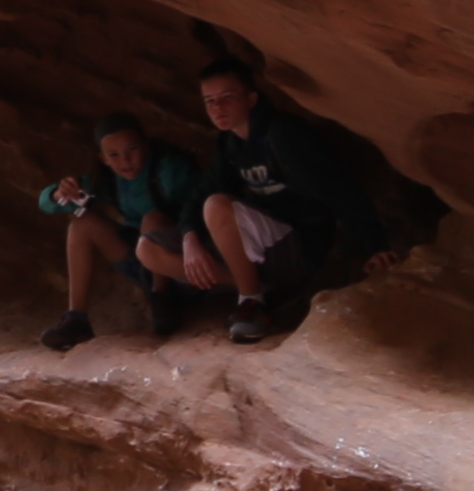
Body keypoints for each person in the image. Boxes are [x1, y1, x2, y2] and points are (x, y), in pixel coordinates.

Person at [190, 66, 371, 344]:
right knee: (151, 250)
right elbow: (200, 193)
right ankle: (262, 288)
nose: (218, 107)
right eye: (210, 101)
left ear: (251, 99)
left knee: (216, 207)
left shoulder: (282, 134)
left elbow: (339, 187)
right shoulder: (230, 144)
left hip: (299, 245)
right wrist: (189, 238)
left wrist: (375, 245)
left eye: (227, 97)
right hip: (266, 247)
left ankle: (251, 302)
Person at [35, 113, 216, 351]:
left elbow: (198, 207)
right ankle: (76, 318)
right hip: (142, 261)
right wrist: (59, 194)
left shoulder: (170, 170)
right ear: (103, 159)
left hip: (183, 266)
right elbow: (46, 204)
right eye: (114, 155)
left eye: (132, 150)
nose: (125, 161)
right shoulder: (109, 181)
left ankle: (162, 299)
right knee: (82, 224)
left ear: (146, 146)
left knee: (152, 220)